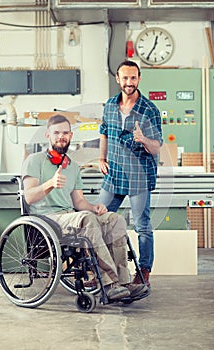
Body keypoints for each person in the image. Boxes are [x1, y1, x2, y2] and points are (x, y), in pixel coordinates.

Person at [22, 114, 148, 301]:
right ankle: (109, 283)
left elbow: (79, 202)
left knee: (115, 219)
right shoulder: (34, 160)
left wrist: (94, 207)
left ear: (71, 135)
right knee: (86, 219)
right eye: (56, 133)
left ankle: (123, 282)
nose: (61, 136)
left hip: (69, 216)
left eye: (65, 133)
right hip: (46, 219)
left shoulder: (72, 166)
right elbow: (29, 197)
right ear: (47, 135)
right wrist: (50, 184)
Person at [99, 60, 163, 288]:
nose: (129, 82)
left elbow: (157, 146)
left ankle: (144, 271)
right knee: (98, 220)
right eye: (125, 78)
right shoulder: (109, 106)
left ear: (139, 79)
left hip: (138, 177)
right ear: (118, 79)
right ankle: (101, 271)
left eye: (133, 78)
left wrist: (144, 139)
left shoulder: (149, 110)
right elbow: (104, 132)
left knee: (142, 226)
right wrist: (101, 158)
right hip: (114, 174)